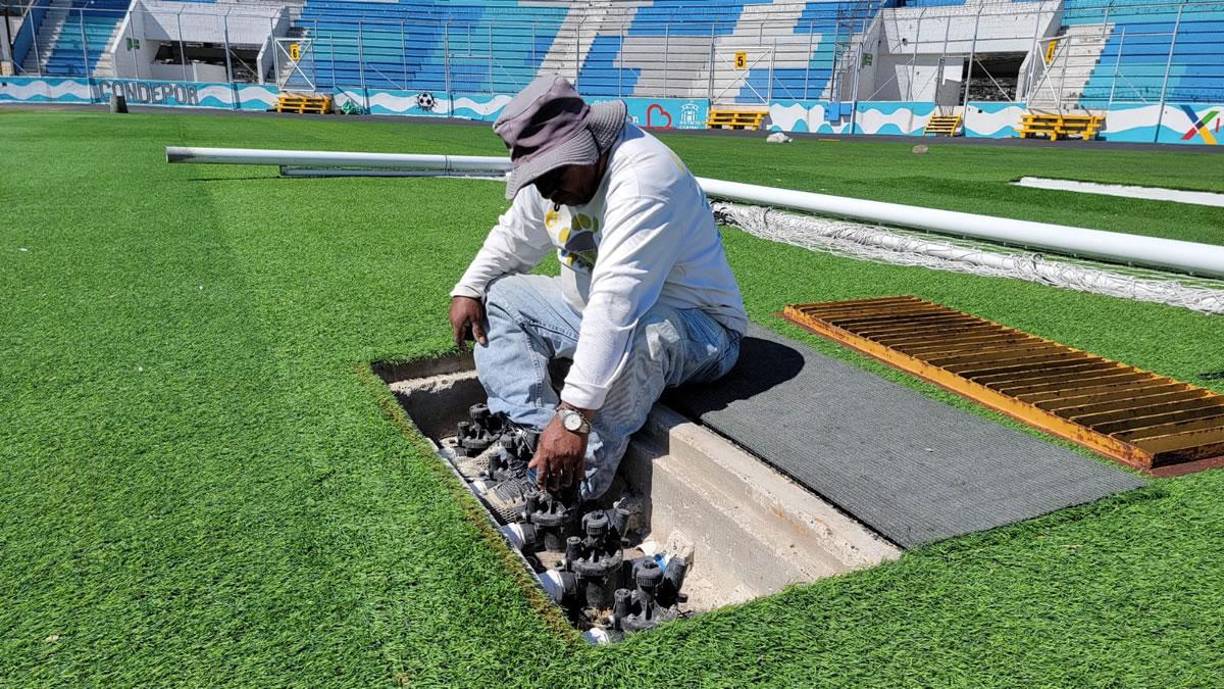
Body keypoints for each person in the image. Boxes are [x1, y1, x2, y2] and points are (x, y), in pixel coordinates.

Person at [448, 75, 747, 511]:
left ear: (587, 148)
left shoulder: (645, 179)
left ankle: (569, 485)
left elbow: (618, 303)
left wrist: (573, 417)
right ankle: (531, 438)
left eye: (552, 174)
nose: (546, 189)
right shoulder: (557, 176)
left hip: (699, 330)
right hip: (598, 312)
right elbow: (516, 235)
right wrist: (469, 287)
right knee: (501, 296)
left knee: (645, 337)